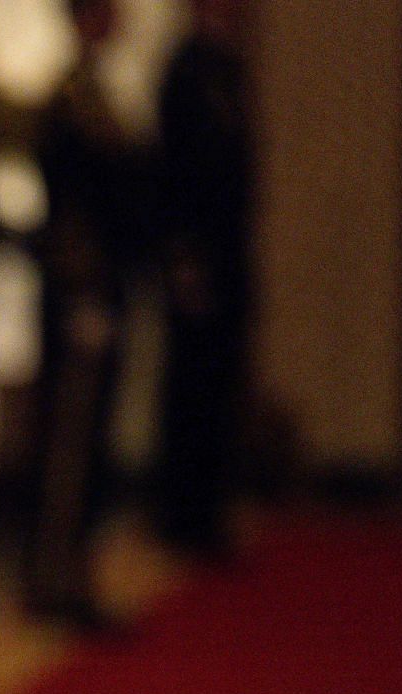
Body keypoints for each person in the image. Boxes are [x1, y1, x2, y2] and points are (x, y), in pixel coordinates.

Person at [22, 0, 145, 628]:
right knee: (69, 446)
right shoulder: (71, 97)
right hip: (80, 294)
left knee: (92, 442)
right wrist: (84, 291)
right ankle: (54, 576)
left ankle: (76, 571)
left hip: (102, 290)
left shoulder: (101, 91)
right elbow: (70, 206)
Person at [152, 0, 252, 560]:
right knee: (189, 384)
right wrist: (182, 256)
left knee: (216, 383)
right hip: (196, 255)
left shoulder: (227, 70)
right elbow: (177, 175)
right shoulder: (184, 71)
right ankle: (182, 514)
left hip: (227, 249)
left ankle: (207, 507)